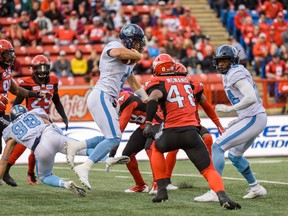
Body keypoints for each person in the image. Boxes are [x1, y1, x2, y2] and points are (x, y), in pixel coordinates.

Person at [142, 53, 241, 210]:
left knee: (155, 148)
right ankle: (222, 196)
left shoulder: (158, 82)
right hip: (191, 133)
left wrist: (148, 122)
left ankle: (161, 190)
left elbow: (154, 97)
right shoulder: (190, 82)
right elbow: (205, 104)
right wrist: (218, 124)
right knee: (208, 169)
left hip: (170, 132)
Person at [64, 24, 148, 190]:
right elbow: (118, 53)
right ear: (129, 40)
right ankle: (85, 166)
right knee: (114, 138)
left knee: (109, 136)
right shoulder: (114, 45)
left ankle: (77, 146)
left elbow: (132, 81)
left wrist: (146, 99)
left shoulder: (129, 60)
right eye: (137, 41)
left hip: (108, 99)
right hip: (102, 94)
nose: (139, 44)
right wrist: (138, 55)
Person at [194, 45, 267, 202]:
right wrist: (239, 118)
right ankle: (256, 187)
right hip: (251, 117)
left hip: (254, 117)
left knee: (217, 146)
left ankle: (215, 191)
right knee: (235, 155)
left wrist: (230, 110)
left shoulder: (235, 73)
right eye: (219, 61)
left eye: (224, 61)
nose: (221, 64)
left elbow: (251, 97)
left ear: (232, 61)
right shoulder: (230, 73)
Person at [3, 55, 68, 187]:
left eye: (45, 68)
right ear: (34, 69)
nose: (43, 71)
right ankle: (5, 172)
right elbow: (16, 104)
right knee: (19, 147)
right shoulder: (26, 83)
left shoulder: (53, 81)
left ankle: (30, 173)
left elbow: (56, 100)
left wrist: (64, 116)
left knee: (38, 149)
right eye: (40, 68)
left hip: (44, 120)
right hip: (29, 120)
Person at [0, 105, 85, 196]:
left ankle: (65, 183)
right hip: (52, 137)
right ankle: (97, 155)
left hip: (40, 149)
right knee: (82, 147)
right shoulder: (35, 113)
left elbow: (4, 160)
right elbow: (51, 126)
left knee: (45, 176)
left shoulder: (11, 130)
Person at [106, 90, 178, 193]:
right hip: (145, 126)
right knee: (127, 154)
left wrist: (111, 155)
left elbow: (119, 131)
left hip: (158, 122)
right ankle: (140, 185)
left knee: (150, 149)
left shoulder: (125, 100)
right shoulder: (116, 103)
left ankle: (158, 183)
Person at [0, 39, 50, 155]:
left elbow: (16, 90)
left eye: (11, 53)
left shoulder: (6, 69)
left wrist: (35, 94)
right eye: (7, 54)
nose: (11, 57)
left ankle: (5, 171)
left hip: (1, 113)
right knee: (18, 129)